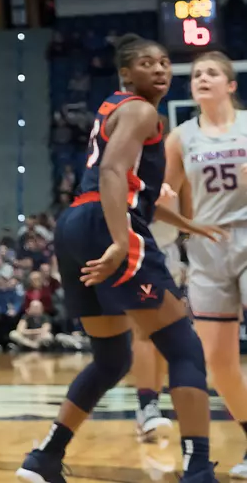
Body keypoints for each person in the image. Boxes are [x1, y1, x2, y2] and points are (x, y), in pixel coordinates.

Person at [17, 37, 222, 483]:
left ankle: (45, 457)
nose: (160, 70)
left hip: (74, 223)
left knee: (111, 359)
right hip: (106, 222)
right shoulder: (143, 110)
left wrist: (190, 223)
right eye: (146, 63)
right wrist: (117, 239)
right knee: (184, 347)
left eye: (165, 63)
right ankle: (199, 468)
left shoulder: (115, 107)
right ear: (126, 74)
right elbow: (113, 172)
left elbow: (130, 187)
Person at [164, 49, 247, 475]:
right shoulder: (180, 137)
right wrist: (164, 202)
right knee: (218, 361)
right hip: (206, 247)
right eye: (197, 73)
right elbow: (163, 198)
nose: (203, 78)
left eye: (213, 72)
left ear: (231, 85)